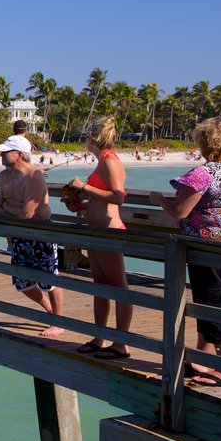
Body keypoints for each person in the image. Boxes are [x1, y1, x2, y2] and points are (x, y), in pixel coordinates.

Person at [150, 117, 221, 388]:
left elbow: (179, 212)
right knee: (219, 300)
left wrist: (159, 199)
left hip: (209, 245)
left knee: (213, 305)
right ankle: (201, 360)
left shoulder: (201, 174)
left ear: (203, 142)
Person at [64, 116, 132, 359]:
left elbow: (118, 197)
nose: (85, 140)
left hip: (110, 231)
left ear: (92, 138)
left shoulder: (110, 161)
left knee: (119, 287)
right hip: (96, 229)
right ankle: (99, 335)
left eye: (86, 136)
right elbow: (101, 198)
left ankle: (121, 343)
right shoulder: (102, 162)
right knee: (101, 285)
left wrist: (84, 187)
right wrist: (81, 206)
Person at [0, 134, 64, 337]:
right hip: (17, 235)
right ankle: (50, 310)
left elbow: (28, 213)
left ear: (19, 154)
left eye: (6, 151)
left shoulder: (35, 176)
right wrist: (14, 207)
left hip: (41, 233)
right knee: (22, 283)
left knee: (49, 279)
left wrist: (9, 206)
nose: (1, 154)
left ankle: (59, 322)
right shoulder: (3, 176)